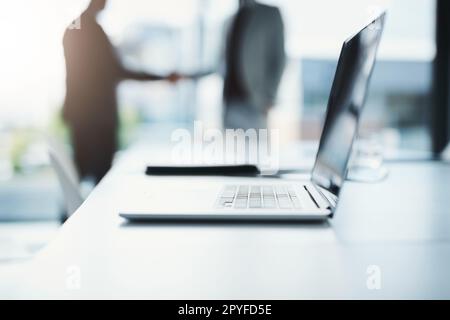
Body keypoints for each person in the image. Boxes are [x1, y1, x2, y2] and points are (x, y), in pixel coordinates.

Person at [63, 0, 180, 184]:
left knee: (80, 174)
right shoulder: (92, 31)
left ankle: (72, 212)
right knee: (100, 179)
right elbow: (116, 71)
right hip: (98, 117)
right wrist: (161, 77)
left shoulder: (74, 28)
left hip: (81, 114)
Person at [223, 0, 286, 130]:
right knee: (230, 149)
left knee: (257, 149)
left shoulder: (269, 13)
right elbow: (221, 62)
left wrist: (269, 96)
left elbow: (278, 58)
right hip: (230, 103)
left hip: (255, 103)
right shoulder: (230, 19)